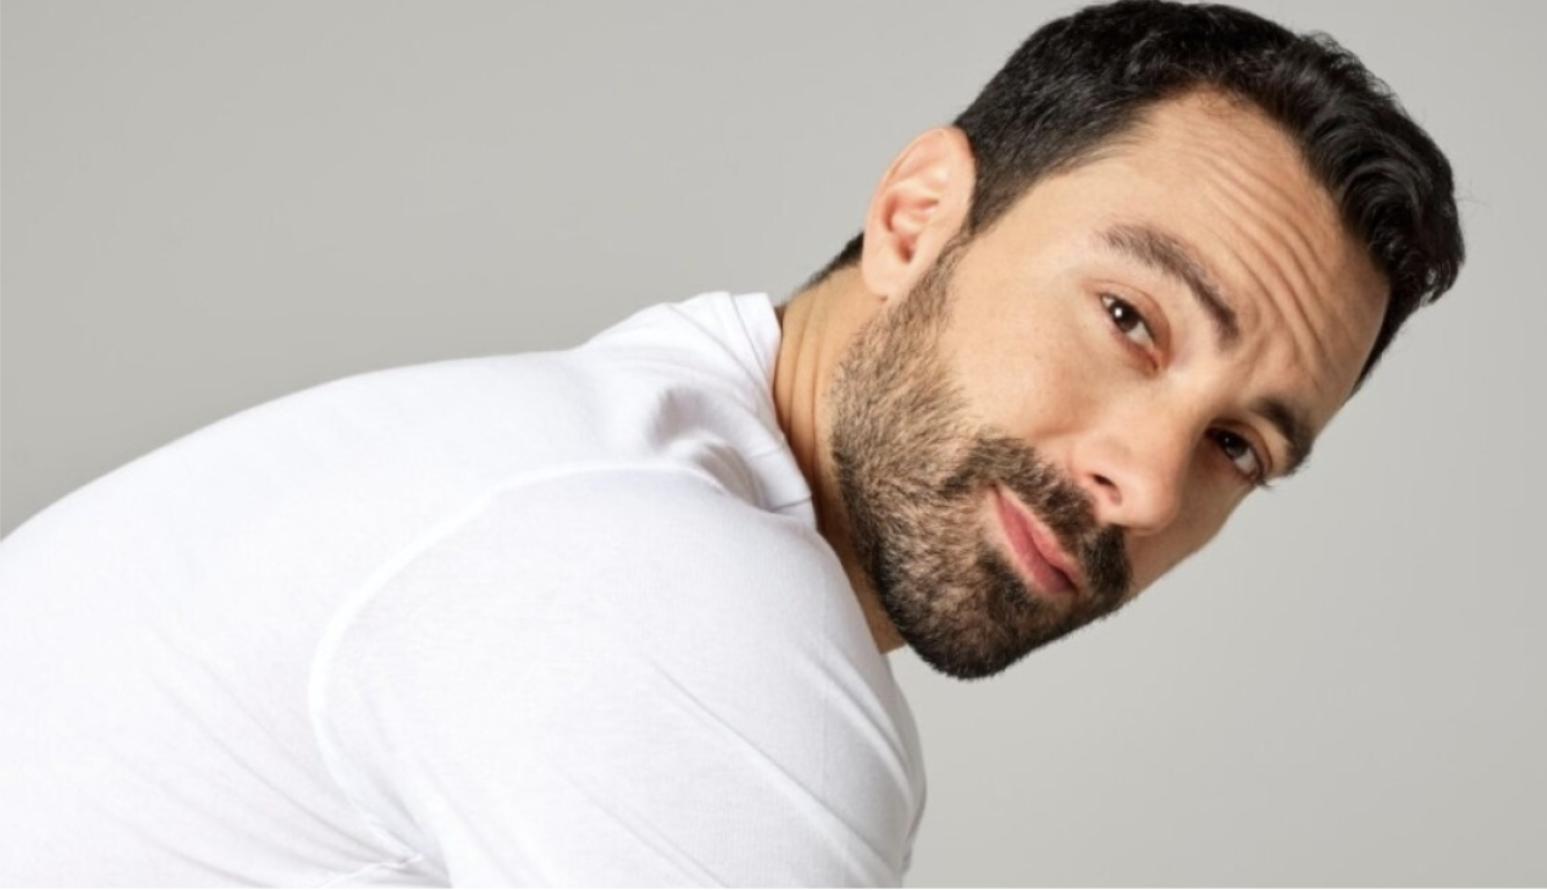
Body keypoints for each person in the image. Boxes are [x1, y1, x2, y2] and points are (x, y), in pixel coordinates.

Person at [0, 0, 1463, 885]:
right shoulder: (670, 592)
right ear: (917, 219)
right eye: (1131, 319)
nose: (1142, 483)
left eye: (1238, 448)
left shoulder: (597, 457)